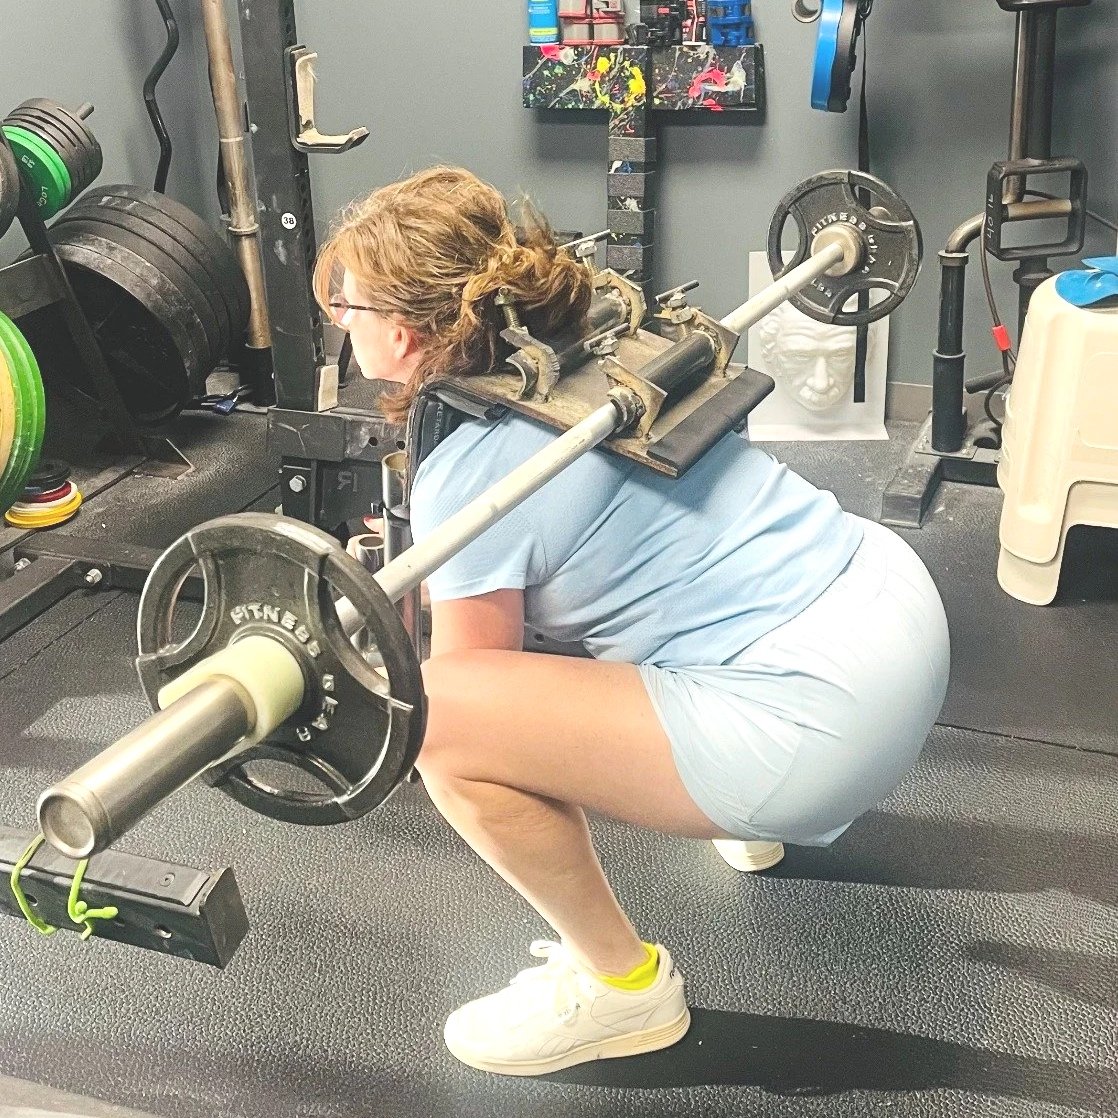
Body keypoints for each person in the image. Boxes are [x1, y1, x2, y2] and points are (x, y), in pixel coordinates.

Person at [313, 166, 951, 1078]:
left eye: (347, 307)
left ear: (403, 331)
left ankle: (622, 991)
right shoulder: (613, 343)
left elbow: (481, 685)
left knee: (438, 720)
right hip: (894, 604)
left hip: (824, 729)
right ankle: (744, 816)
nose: (342, 322)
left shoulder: (468, 477)